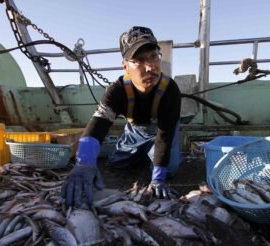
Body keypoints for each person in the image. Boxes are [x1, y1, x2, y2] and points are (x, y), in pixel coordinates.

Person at [62, 26, 182, 207]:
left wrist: (157, 179)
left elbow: (164, 137)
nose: (150, 67)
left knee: (168, 169)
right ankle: (142, 153)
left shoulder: (170, 90)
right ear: (125, 66)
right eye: (139, 60)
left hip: (162, 130)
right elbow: (99, 123)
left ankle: (150, 158)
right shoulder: (117, 90)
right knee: (117, 164)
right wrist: (84, 162)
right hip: (135, 132)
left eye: (153, 56)